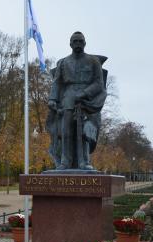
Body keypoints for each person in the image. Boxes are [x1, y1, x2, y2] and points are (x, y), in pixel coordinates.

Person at [48, 32, 107, 170]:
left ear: (85, 43)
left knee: (84, 131)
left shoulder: (93, 61)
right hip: (68, 98)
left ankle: (84, 161)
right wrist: (52, 98)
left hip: (88, 100)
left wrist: (84, 94)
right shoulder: (63, 62)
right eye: (75, 41)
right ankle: (65, 161)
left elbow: (99, 83)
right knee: (66, 131)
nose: (78, 44)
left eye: (80, 41)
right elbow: (56, 82)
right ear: (70, 44)